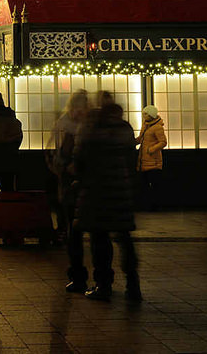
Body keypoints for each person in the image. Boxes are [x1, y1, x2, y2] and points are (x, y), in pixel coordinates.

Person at [68, 91, 141, 302]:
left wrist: (77, 178)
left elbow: (79, 159)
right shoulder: (124, 128)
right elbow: (131, 157)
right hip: (120, 189)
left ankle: (103, 284)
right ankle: (133, 283)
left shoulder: (90, 127)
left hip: (96, 191)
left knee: (99, 238)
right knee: (124, 238)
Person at [50, 90, 89, 241]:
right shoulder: (80, 124)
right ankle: (70, 229)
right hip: (71, 165)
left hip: (71, 165)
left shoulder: (65, 121)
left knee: (68, 199)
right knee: (69, 200)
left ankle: (67, 229)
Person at [136, 105, 167, 211]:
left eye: (145, 114)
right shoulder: (145, 125)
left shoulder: (157, 127)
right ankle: (146, 205)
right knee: (144, 185)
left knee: (154, 185)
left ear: (151, 115)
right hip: (143, 160)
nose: (143, 116)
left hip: (153, 161)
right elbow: (141, 138)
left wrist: (151, 149)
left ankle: (155, 206)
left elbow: (163, 142)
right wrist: (132, 142)